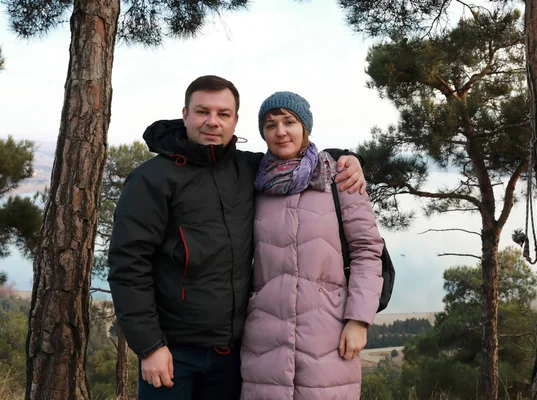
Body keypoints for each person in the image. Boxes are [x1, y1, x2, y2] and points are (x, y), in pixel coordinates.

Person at [107, 75, 366, 400]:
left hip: (233, 356)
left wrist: (348, 157)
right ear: (185, 115)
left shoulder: (250, 169)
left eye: (223, 114)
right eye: (202, 112)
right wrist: (149, 346)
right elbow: (128, 265)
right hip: (172, 353)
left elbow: (298, 156)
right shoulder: (152, 178)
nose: (212, 122)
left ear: (235, 121)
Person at [240, 91, 384, 400]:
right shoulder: (252, 184)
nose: (280, 131)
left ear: (305, 126)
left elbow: (367, 252)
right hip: (263, 340)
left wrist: (359, 320)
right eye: (270, 124)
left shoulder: (339, 177)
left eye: (289, 122)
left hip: (329, 336)